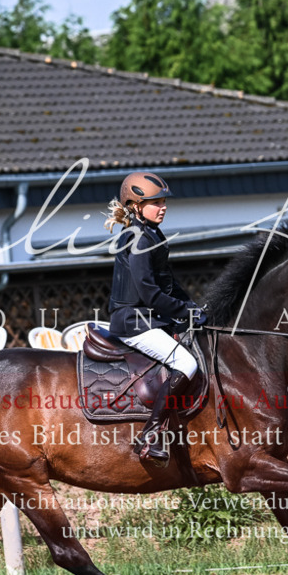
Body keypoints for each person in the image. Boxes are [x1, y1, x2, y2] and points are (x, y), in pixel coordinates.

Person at [106, 172, 206, 464]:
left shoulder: (152, 234)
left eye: (163, 202)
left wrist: (195, 308)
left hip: (149, 319)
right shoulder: (138, 238)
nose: (163, 207)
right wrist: (185, 312)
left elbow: (168, 284)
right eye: (155, 203)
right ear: (136, 206)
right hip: (134, 322)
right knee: (186, 363)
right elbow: (150, 293)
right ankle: (151, 434)